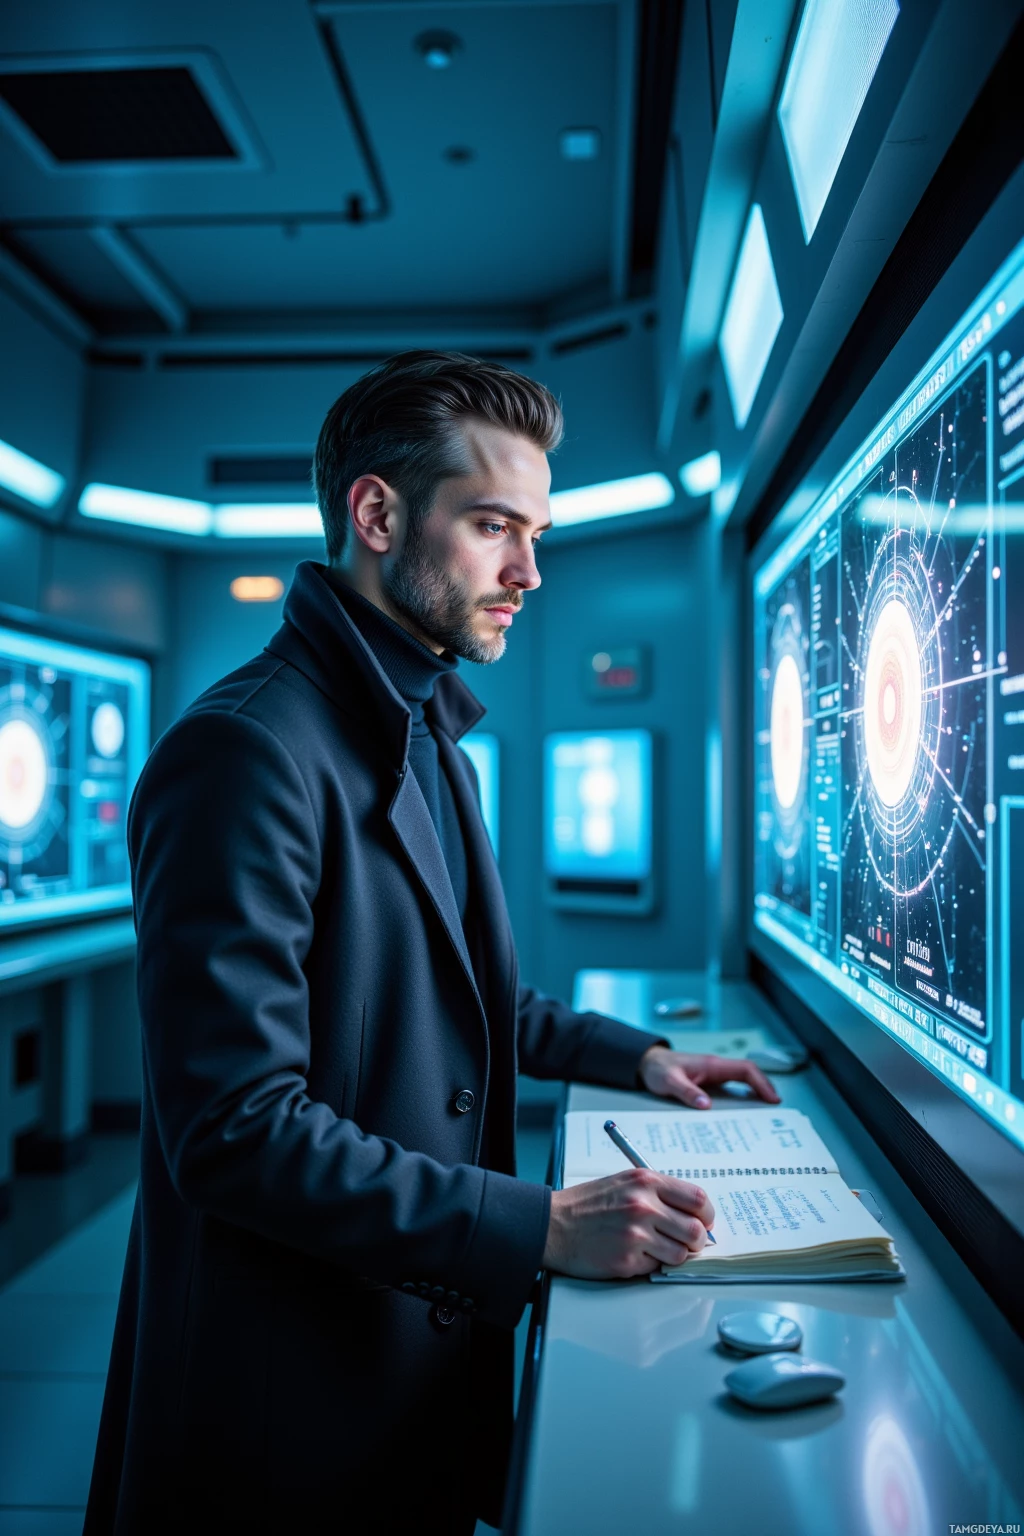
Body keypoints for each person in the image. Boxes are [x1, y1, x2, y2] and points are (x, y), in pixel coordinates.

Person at [85, 351, 779, 1535]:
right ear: (377, 515)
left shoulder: (424, 731)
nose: (529, 572)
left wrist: (637, 1056)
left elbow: (453, 994)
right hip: (289, 1408)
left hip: (402, 1363)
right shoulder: (246, 752)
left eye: (535, 534)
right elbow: (234, 1130)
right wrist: (537, 1226)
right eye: (495, 526)